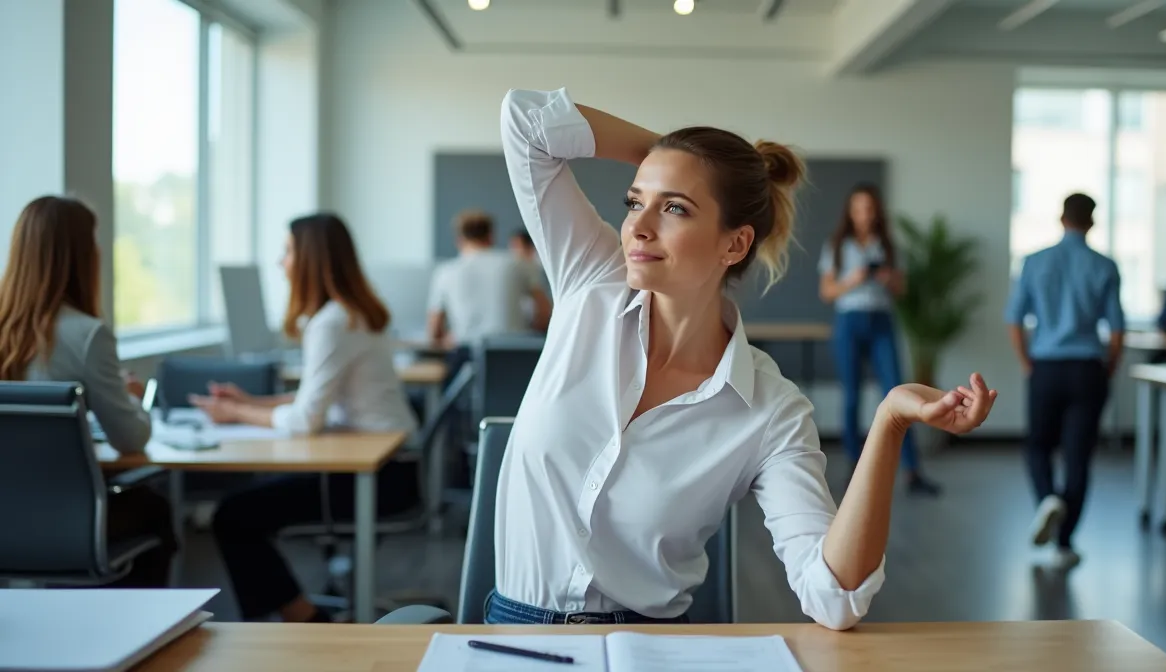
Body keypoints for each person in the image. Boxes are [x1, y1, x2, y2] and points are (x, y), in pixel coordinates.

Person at [491, 87, 996, 629]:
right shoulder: (590, 282)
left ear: (734, 245)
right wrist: (669, 157)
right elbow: (526, 120)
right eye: (636, 201)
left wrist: (891, 418)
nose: (638, 226)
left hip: (651, 653)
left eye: (675, 208)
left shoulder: (770, 409)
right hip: (511, 640)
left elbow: (833, 596)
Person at [190, 213, 419, 623]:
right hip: (395, 469)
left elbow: (305, 420)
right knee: (251, 502)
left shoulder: (332, 323)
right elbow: (318, 399)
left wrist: (234, 412)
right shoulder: (353, 313)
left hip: (374, 479)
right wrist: (252, 401)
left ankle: (305, 617)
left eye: (288, 252)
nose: (282, 262)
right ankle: (299, 612)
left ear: (311, 258)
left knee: (233, 515)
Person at [0, 195, 175, 587]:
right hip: (62, 527)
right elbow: (131, 438)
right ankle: (142, 640)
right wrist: (130, 395)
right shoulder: (87, 335)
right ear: (81, 256)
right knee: (155, 508)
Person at [1005, 193, 1124, 568]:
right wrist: (1108, 369)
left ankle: (1047, 499)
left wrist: (1027, 363)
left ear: (1061, 219)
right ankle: (1065, 542)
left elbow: (1014, 320)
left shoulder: (1034, 262)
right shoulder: (1105, 266)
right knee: (1078, 456)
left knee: (1038, 445)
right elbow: (1118, 330)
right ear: (1091, 222)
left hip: (1047, 367)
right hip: (1088, 368)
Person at [818, 183, 940, 496]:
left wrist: (889, 279)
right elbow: (827, 292)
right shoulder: (836, 245)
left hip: (882, 322)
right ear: (850, 211)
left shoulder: (888, 246)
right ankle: (855, 470)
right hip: (849, 322)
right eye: (859, 208)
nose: (864, 215)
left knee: (898, 392)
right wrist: (852, 280)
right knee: (852, 396)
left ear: (877, 211)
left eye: (870, 208)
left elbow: (902, 290)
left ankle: (912, 471)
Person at [427, 210, 551, 353]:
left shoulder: (445, 272)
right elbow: (545, 312)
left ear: (459, 240)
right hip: (514, 353)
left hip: (466, 353)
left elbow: (434, 331)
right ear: (491, 236)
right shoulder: (520, 264)